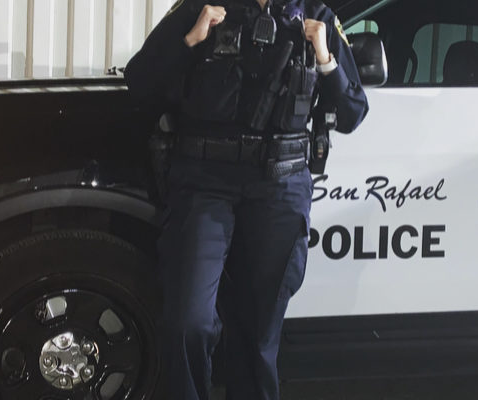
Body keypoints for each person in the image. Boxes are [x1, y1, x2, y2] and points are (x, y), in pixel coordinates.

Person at [124, 0, 368, 398]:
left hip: (279, 188)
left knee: (257, 334)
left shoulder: (316, 16)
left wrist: (324, 57)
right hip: (204, 184)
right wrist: (191, 39)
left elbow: (354, 111)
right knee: (189, 323)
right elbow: (140, 82)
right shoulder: (201, 7)